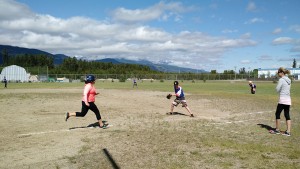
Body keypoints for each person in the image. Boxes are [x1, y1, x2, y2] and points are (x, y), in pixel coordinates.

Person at [270, 67, 292, 136]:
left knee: (277, 114)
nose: (278, 74)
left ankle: (277, 130)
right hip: (288, 99)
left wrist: (279, 89)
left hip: (282, 99)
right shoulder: (289, 80)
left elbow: (277, 89)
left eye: (278, 73)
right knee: (287, 115)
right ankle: (288, 131)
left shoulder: (281, 80)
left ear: (281, 73)